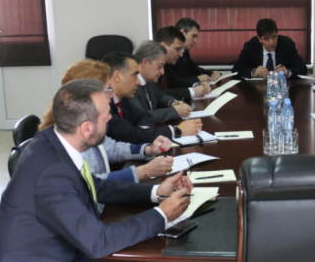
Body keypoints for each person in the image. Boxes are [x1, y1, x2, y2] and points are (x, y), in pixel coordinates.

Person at [0, 79, 193, 262]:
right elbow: (97, 242)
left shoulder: (54, 142)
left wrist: (156, 192)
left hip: (68, 259)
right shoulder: (51, 173)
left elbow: (95, 187)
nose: (110, 119)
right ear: (87, 128)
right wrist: (162, 215)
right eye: (106, 116)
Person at [38, 58, 174, 182]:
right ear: (87, 95)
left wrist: (148, 150)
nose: (112, 94)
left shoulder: (87, 119)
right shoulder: (69, 135)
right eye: (108, 89)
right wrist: (144, 171)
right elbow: (91, 184)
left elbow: (111, 148)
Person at [101, 51, 202, 145]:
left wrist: (144, 133)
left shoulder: (121, 99)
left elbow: (145, 116)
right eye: (134, 75)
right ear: (117, 76)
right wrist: (177, 130)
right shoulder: (102, 106)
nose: (138, 82)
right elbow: (130, 135)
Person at [128, 40, 193, 123]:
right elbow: (141, 116)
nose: (162, 72)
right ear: (145, 62)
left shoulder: (149, 81)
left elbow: (159, 96)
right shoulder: (129, 86)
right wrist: (174, 111)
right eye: (159, 66)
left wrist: (173, 103)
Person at [232, 18, 307, 79]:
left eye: (274, 37)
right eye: (266, 39)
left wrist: (288, 72)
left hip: (281, 88)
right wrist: (253, 72)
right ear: (259, 39)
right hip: (257, 89)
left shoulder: (287, 44)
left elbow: (302, 68)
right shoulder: (251, 46)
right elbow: (236, 68)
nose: (271, 42)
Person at [155, 26, 212, 94]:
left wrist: (195, 85)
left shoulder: (166, 64)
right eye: (177, 49)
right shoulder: (149, 65)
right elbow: (158, 95)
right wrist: (192, 92)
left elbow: (175, 80)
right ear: (163, 47)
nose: (181, 54)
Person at [171, 17, 222, 84]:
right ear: (182, 32)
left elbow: (196, 70)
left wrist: (212, 74)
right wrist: (197, 79)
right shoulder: (169, 53)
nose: (195, 41)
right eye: (193, 36)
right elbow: (174, 81)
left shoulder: (184, 52)